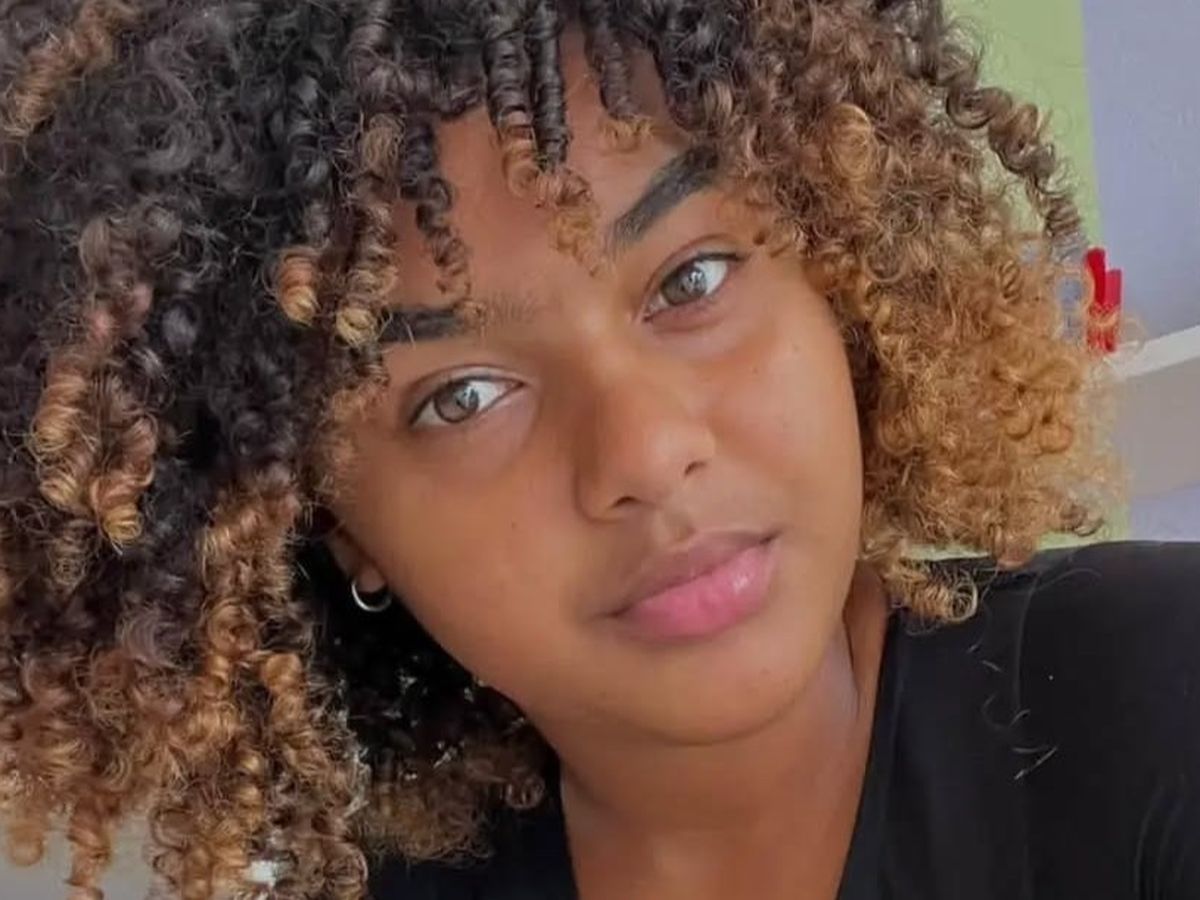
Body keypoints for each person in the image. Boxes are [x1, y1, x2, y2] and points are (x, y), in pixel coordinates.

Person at [0, 0, 1196, 898]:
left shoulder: (1156, 700)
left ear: (832, 269)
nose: (646, 450)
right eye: (463, 397)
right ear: (331, 523)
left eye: (695, 278)